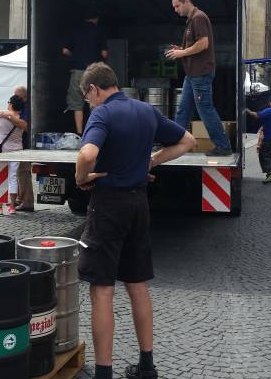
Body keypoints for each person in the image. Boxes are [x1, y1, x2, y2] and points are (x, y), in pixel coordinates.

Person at [74, 62, 195, 379]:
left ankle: (103, 373)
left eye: (87, 99)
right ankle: (146, 366)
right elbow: (187, 142)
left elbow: (86, 155)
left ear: (94, 89)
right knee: (137, 285)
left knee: (102, 290)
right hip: (139, 204)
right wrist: (152, 161)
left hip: (109, 205)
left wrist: (80, 178)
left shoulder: (102, 114)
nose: (89, 104)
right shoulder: (146, 111)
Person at [166, 0, 232, 157]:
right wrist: (181, 50)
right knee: (183, 110)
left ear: (186, 1)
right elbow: (195, 46)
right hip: (192, 74)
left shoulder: (198, 18)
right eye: (174, 7)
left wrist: (182, 54)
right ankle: (174, 142)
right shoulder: (191, 20)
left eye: (177, 6)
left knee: (205, 110)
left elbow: (203, 44)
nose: (175, 10)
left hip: (200, 73)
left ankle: (223, 146)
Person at [62, 11, 108, 135]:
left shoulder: (75, 30)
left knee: (77, 103)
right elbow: (104, 54)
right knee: (95, 102)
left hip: (77, 71)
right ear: (97, 18)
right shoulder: (99, 31)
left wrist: (75, 57)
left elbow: (65, 50)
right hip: (93, 72)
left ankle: (80, 133)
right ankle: (94, 131)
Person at [246, 95, 271, 184]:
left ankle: (270, 174)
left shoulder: (269, 111)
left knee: (265, 156)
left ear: (270, 102)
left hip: (270, 138)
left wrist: (248, 111)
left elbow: (257, 115)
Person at [13, 85, 34, 211]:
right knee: (20, 172)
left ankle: (27, 202)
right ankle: (21, 199)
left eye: (16, 95)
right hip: (22, 143)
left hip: (25, 144)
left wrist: (10, 116)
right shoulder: (23, 106)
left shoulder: (26, 108)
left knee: (24, 172)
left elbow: (25, 125)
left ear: (23, 96)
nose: (14, 98)